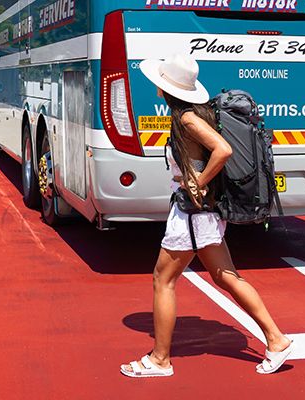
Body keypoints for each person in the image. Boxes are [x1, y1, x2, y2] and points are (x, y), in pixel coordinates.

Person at [121, 54, 293, 378]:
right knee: (225, 275)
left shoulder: (186, 118)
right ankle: (276, 339)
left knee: (163, 279)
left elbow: (223, 150)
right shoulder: (191, 114)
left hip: (193, 214)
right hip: (204, 214)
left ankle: (160, 359)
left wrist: (197, 182)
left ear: (165, 87)